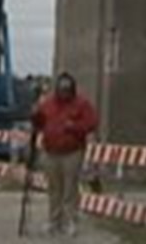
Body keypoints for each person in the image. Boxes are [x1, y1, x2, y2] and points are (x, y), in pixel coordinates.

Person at [30, 71, 98, 237]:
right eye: (61, 89)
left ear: (72, 89)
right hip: (50, 151)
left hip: (72, 152)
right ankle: (54, 221)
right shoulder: (48, 103)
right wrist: (35, 115)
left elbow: (92, 123)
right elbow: (39, 124)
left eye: (67, 90)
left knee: (70, 189)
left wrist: (73, 126)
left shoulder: (82, 104)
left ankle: (70, 221)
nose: (64, 93)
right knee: (54, 189)